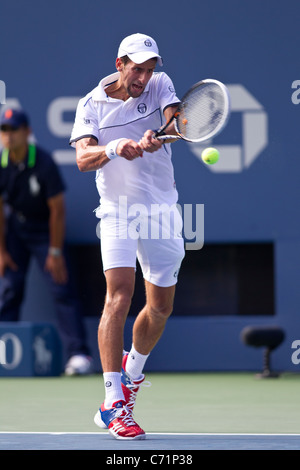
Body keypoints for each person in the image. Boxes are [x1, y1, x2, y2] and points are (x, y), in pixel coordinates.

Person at [70, 33, 185, 439]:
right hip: (117, 210)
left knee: (160, 309)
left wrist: (162, 131)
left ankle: (132, 372)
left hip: (160, 210)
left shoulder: (159, 83)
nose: (143, 76)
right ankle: (113, 400)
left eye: (149, 68)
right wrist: (117, 146)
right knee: (118, 293)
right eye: (137, 68)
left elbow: (176, 118)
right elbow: (84, 159)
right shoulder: (91, 105)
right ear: (120, 64)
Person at [0, 108, 93, 376]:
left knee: (61, 287)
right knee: (9, 289)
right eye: (4, 130)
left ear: (27, 132)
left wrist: (54, 251)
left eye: (13, 130)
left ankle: (78, 355)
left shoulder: (43, 162)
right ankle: (4, 356)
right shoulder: (2, 163)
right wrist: (2, 251)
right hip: (15, 231)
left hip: (45, 231)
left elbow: (57, 210)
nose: (8, 136)